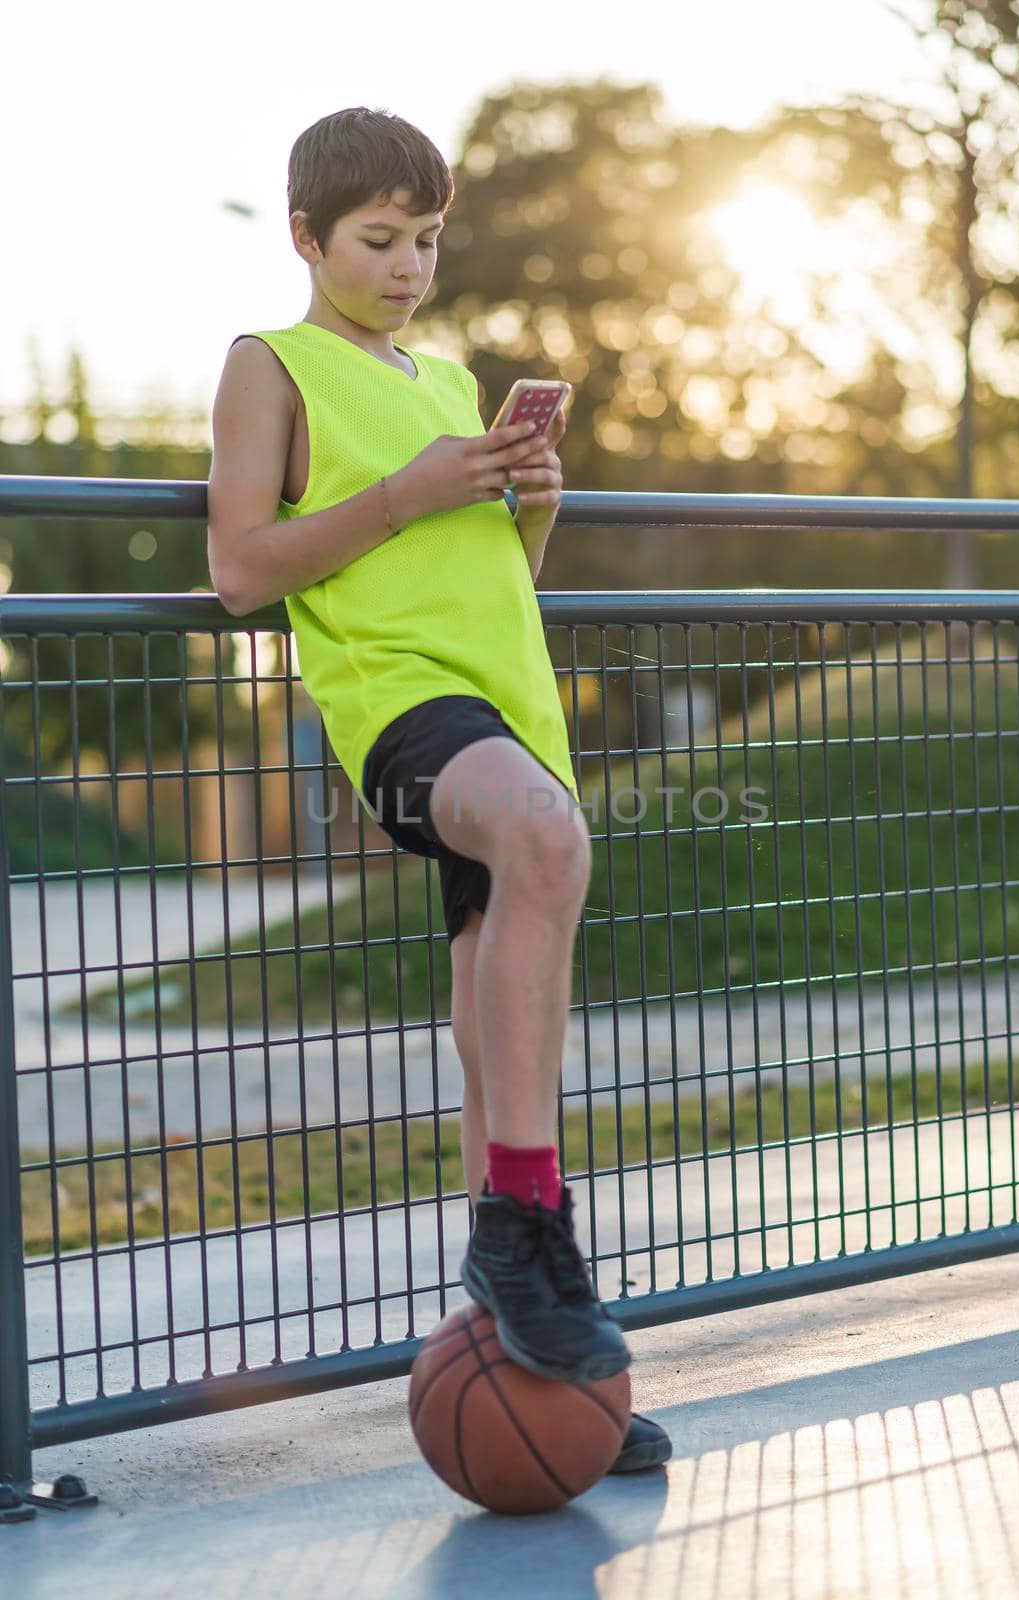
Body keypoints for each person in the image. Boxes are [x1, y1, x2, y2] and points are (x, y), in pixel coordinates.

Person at [206, 106, 670, 1474]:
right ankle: (526, 1234)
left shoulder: (446, 377)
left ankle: (537, 1355)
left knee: (496, 1024)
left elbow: (497, 575)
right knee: (542, 844)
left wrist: (530, 496)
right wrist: (408, 494)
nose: (408, 265)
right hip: (399, 704)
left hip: (504, 700)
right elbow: (243, 570)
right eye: (378, 240)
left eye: (425, 239)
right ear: (306, 235)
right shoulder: (268, 365)